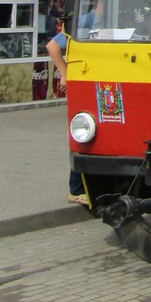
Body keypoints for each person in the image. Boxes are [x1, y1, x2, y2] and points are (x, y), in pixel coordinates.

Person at [46, 17, 89, 207]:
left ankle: (84, 187)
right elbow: (52, 46)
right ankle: (76, 189)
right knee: (81, 131)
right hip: (83, 82)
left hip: (91, 80)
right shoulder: (84, 21)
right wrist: (65, 74)